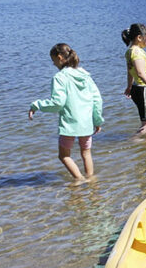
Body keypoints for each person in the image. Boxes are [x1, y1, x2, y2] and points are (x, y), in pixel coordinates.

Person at [28, 43, 103, 182]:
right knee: (86, 153)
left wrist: (36, 105)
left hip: (69, 124)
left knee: (64, 156)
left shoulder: (59, 77)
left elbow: (57, 103)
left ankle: (79, 179)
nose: (53, 64)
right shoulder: (85, 76)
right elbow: (97, 99)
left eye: (53, 60)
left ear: (60, 57)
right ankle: (91, 182)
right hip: (86, 123)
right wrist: (97, 120)